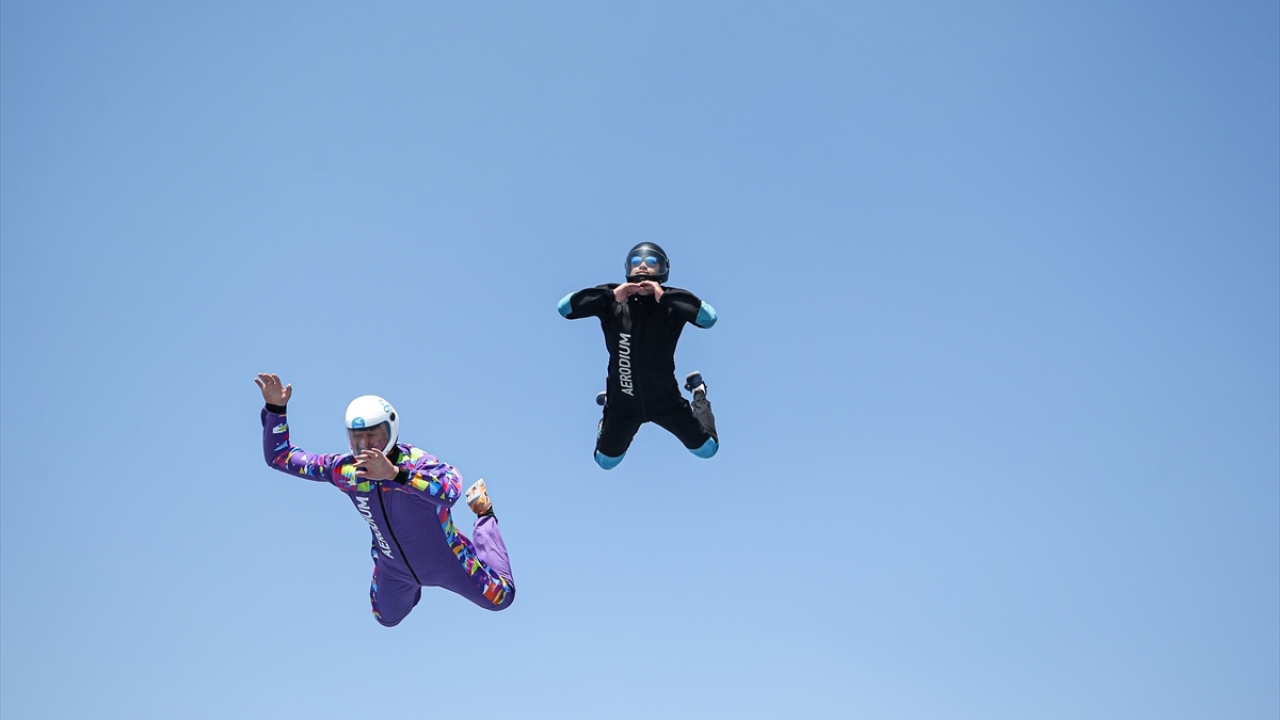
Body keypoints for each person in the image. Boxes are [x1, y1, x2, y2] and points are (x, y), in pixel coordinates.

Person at [254, 373, 514, 626]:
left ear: (391, 431)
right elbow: (281, 457)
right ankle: (411, 584)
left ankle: (485, 516)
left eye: (374, 436)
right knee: (386, 619)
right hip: (394, 568)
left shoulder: (416, 462)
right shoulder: (346, 471)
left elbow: (450, 491)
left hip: (447, 560)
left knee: (502, 598)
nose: (366, 445)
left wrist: (395, 475)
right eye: (357, 438)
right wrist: (276, 409)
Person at [557, 242, 720, 469]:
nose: (642, 266)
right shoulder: (612, 299)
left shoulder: (673, 301)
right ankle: (606, 413)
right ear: (627, 268)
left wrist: (664, 298)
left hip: (665, 401)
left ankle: (698, 393)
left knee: (707, 449)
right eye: (636, 262)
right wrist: (611, 295)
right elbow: (565, 308)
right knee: (605, 462)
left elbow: (709, 318)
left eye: (651, 262)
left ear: (663, 268)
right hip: (623, 404)